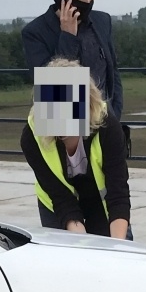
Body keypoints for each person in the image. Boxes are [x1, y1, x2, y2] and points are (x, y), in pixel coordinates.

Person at [21, 58, 132, 239]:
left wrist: (118, 247)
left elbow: (117, 193)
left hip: (99, 199)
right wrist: (81, 245)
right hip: (57, 202)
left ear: (87, 103)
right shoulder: (31, 138)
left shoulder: (108, 126)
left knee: (119, 247)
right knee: (68, 255)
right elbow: (61, 199)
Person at [21, 0, 124, 121]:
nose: (87, 1)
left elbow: (113, 71)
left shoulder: (103, 21)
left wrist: (115, 114)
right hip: (62, 125)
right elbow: (50, 86)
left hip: (105, 123)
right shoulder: (35, 33)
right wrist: (67, 36)